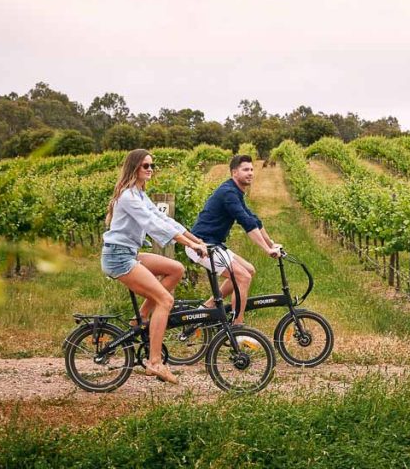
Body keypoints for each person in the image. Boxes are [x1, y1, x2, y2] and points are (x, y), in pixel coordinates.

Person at [101, 149, 208, 384]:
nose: (150, 169)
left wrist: (196, 240)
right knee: (165, 300)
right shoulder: (128, 196)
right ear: (134, 168)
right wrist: (189, 243)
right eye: (145, 166)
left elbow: (165, 220)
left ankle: (139, 320)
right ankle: (155, 363)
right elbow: (153, 225)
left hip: (129, 253)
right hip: (119, 257)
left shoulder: (139, 194)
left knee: (176, 269)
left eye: (152, 166)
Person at [184, 154, 281, 328]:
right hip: (201, 245)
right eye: (245, 169)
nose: (250, 173)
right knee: (242, 277)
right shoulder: (228, 193)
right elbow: (246, 223)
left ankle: (207, 308)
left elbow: (253, 220)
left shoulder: (235, 191)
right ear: (234, 172)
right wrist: (267, 250)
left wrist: (271, 244)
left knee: (249, 270)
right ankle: (237, 326)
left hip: (214, 244)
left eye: (251, 169)